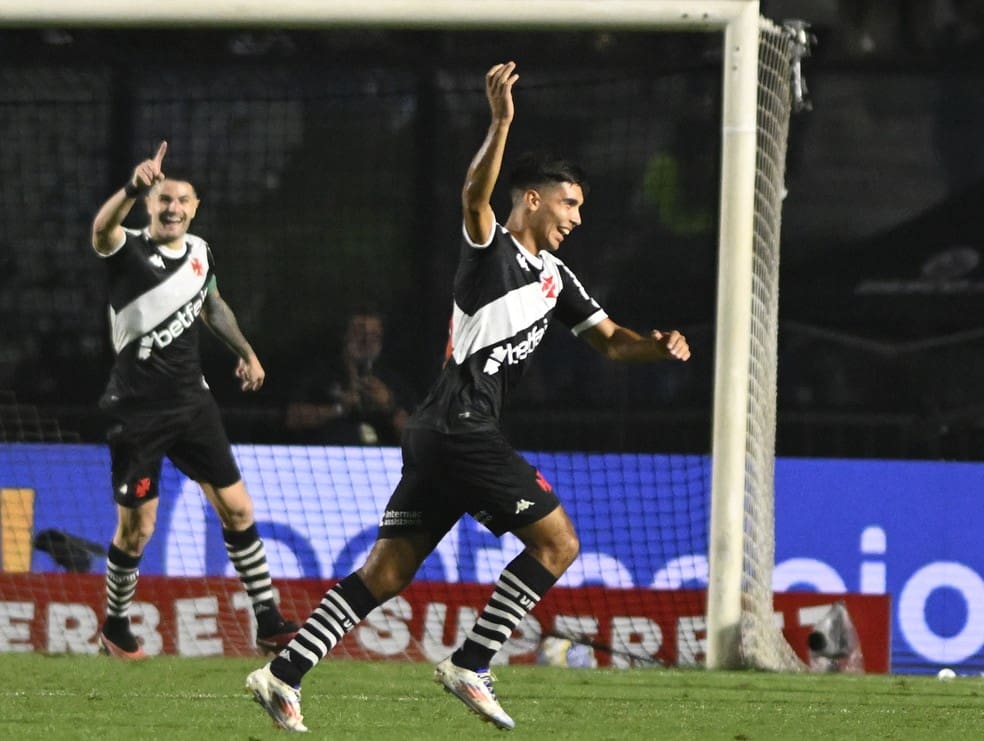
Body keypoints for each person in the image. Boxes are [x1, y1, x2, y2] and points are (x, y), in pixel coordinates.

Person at [246, 61, 690, 733]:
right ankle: (472, 660)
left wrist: (654, 344)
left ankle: (282, 674)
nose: (576, 218)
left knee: (387, 572)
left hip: (435, 431)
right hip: (460, 426)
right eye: (570, 203)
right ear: (533, 198)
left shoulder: (558, 278)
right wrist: (502, 120)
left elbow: (609, 340)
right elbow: (473, 198)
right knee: (559, 542)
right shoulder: (491, 250)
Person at [90, 141, 298, 659]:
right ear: (148, 204)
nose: (173, 207)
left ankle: (269, 621)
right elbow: (100, 231)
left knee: (238, 510)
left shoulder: (201, 252)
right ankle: (116, 625)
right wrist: (131, 186)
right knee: (137, 531)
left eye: (182, 200)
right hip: (136, 411)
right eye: (163, 198)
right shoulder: (128, 248)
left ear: (195, 207)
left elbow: (213, 305)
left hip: (193, 405)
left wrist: (246, 352)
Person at [283, 308, 413, 446]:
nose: (366, 341)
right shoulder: (321, 375)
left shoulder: (393, 382)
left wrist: (389, 406)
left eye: (374, 335)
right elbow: (291, 419)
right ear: (344, 336)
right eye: (359, 333)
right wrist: (340, 408)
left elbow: (417, 441)